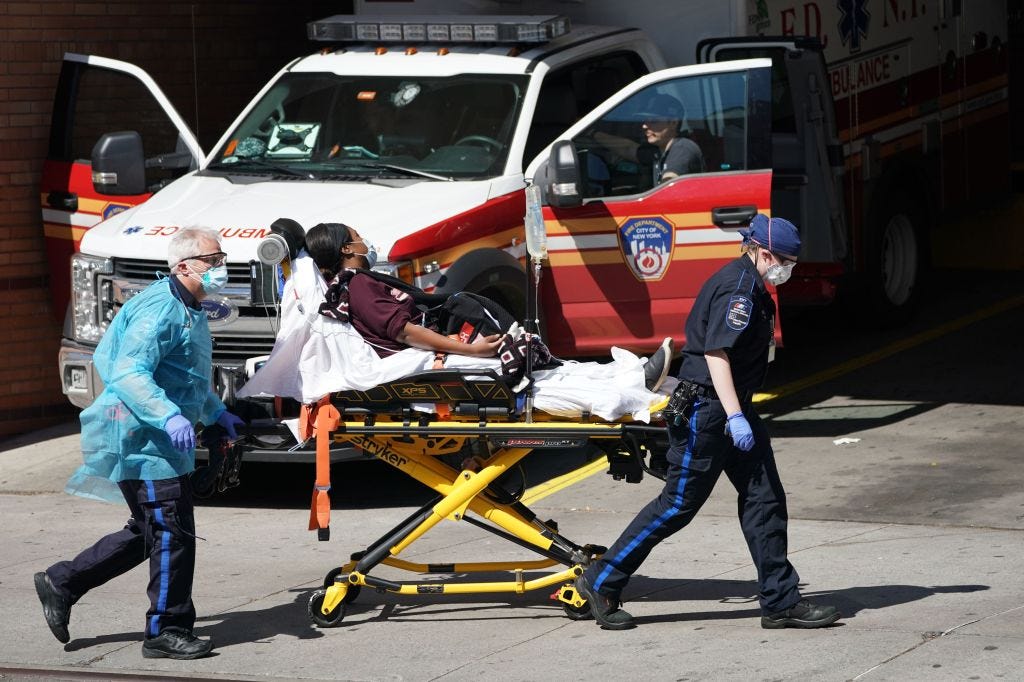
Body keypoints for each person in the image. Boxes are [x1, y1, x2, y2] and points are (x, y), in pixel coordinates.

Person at [575, 214, 840, 631]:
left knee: (765, 499)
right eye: (785, 261)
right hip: (709, 412)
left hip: (732, 408)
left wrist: (740, 413)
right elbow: (717, 355)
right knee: (678, 506)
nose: (787, 269)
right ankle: (601, 580)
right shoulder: (739, 290)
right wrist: (735, 416)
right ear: (764, 252)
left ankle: (780, 600)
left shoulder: (750, 283)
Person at [34, 227, 245, 659]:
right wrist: (167, 415)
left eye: (222, 259)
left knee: (150, 531)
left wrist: (214, 412)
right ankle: (165, 629)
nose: (220, 268)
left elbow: (184, 377)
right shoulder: (161, 310)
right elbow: (129, 372)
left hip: (157, 439)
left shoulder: (190, 308)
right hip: (143, 439)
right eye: (213, 260)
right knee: (172, 532)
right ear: (184, 266)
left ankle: (63, 581)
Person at [302, 221, 674, 392]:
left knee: (538, 363)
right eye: (356, 237)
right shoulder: (361, 286)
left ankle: (629, 379)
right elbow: (403, 331)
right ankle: (629, 385)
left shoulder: (357, 286)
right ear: (347, 250)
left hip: (432, 353)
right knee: (534, 372)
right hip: (426, 359)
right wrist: (469, 349)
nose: (364, 239)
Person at [596, 92, 705, 185]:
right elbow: (627, 148)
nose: (644, 126)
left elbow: (669, 182)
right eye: (644, 120)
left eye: (653, 121)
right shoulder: (657, 151)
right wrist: (593, 133)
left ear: (673, 122)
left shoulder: (682, 148)